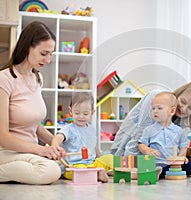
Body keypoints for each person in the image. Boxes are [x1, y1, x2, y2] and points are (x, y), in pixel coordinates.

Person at [0, 21, 64, 184]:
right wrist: (40, 149)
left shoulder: (37, 78)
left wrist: (53, 144)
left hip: (27, 154)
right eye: (44, 53)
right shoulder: (5, 79)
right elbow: (3, 137)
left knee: (59, 165)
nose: (48, 60)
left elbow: (33, 124)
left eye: (51, 54)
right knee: (51, 169)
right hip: (7, 151)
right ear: (27, 47)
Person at [138, 91, 191, 179]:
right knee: (152, 169)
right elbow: (141, 144)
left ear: (172, 111)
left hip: (175, 165)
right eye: (153, 108)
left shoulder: (179, 131)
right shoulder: (149, 130)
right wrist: (147, 150)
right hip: (156, 165)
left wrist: (182, 157)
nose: (155, 111)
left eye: (159, 108)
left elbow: (183, 147)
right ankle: (155, 174)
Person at [110, 82, 191, 156]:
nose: (184, 108)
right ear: (178, 94)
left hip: (151, 159)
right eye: (183, 101)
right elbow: (139, 139)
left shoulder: (182, 120)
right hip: (124, 152)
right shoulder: (156, 98)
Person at [51, 92, 113, 183]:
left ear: (92, 112)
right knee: (81, 170)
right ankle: (98, 175)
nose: (81, 116)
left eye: (85, 114)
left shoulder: (91, 128)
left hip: (91, 163)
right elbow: (58, 137)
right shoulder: (68, 129)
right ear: (70, 111)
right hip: (73, 166)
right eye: (77, 113)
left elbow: (93, 145)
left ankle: (98, 172)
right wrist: (55, 147)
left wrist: (100, 158)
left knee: (110, 158)